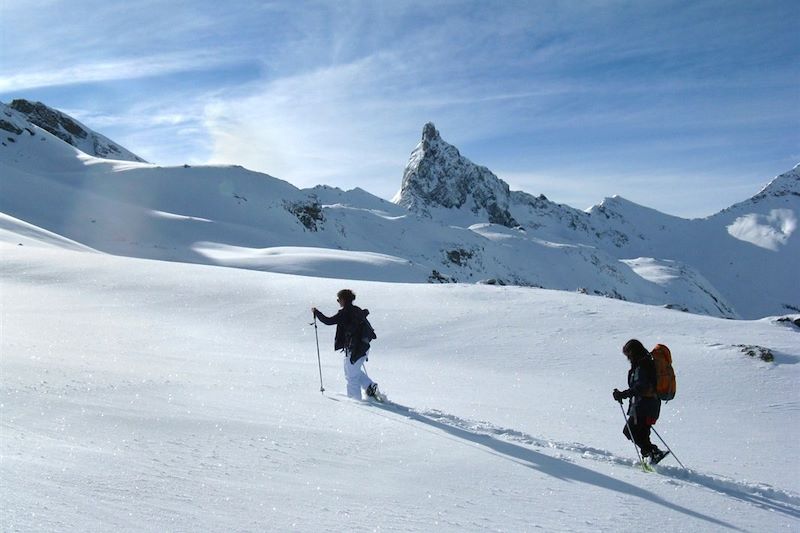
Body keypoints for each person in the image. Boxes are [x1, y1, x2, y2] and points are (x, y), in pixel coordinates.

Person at [312, 289, 382, 400]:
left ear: (343, 300)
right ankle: (369, 386)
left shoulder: (344, 313)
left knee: (351, 376)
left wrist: (317, 313)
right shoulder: (357, 310)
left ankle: (355, 401)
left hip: (355, 348)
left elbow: (328, 321)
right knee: (351, 370)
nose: (338, 301)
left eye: (338, 299)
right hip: (363, 346)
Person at [613, 339, 667, 464]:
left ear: (632, 352)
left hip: (644, 406)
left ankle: (653, 453)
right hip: (650, 405)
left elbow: (640, 387)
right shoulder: (645, 362)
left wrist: (623, 394)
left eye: (627, 354)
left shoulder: (642, 365)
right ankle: (651, 454)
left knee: (629, 431)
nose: (627, 358)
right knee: (641, 432)